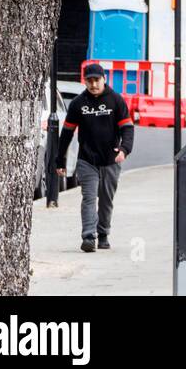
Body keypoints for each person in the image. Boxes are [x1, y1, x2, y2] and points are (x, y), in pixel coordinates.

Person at [55, 62, 135, 252]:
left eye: (96, 80)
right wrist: (60, 160)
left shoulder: (116, 100)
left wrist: (124, 149)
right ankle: (89, 236)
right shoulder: (78, 104)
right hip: (86, 160)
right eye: (89, 81)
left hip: (111, 159)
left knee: (106, 199)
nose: (93, 84)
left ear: (104, 79)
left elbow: (128, 128)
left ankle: (104, 232)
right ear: (85, 82)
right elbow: (66, 133)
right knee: (89, 197)